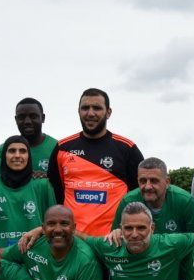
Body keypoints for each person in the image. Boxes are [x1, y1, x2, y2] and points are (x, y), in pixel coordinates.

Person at [49, 88, 144, 236]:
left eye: (97, 108)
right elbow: (56, 194)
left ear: (108, 112)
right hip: (73, 240)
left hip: (113, 240)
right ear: (78, 111)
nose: (90, 113)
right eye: (85, 108)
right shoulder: (63, 148)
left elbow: (139, 195)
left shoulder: (126, 148)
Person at [0, 136, 57, 249]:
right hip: (2, 259)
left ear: (29, 156)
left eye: (23, 151)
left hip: (36, 256)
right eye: (11, 151)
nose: (17, 155)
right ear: (4, 155)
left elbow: (54, 223)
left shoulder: (42, 185)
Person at [0, 97, 58, 177]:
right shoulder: (3, 150)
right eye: (21, 117)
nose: (27, 122)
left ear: (42, 118)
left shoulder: (57, 147)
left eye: (33, 117)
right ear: (16, 120)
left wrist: (48, 179)